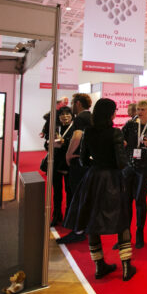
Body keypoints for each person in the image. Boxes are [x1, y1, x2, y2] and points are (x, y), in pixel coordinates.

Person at [63, 98, 137, 281]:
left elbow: (83, 160)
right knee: (122, 220)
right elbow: (121, 162)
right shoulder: (115, 133)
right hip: (112, 179)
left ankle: (99, 266)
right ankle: (126, 266)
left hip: (93, 178)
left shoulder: (89, 132)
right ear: (110, 113)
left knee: (92, 221)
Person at [121, 100, 147, 248]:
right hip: (129, 166)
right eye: (138, 109)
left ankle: (140, 232)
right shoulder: (130, 124)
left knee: (140, 199)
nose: (139, 112)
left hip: (145, 167)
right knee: (126, 200)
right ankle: (125, 234)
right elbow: (121, 141)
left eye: (142, 109)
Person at [57, 93, 93, 244]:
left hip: (78, 162)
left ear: (78, 103)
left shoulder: (80, 118)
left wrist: (68, 154)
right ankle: (83, 227)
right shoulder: (91, 117)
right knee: (84, 195)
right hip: (88, 162)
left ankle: (78, 230)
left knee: (76, 195)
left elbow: (77, 136)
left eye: (72, 103)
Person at [47, 106, 73, 227]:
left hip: (68, 164)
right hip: (55, 163)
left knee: (69, 191)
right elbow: (46, 144)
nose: (65, 116)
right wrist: (51, 144)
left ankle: (69, 216)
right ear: (58, 117)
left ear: (72, 116)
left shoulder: (74, 128)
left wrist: (63, 143)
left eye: (67, 114)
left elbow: (76, 145)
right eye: (62, 114)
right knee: (56, 191)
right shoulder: (55, 128)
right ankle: (57, 215)